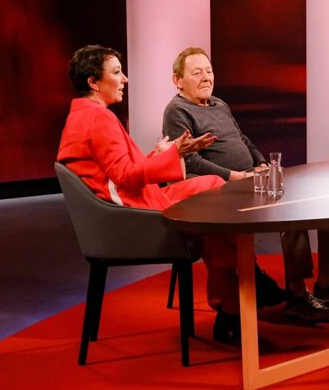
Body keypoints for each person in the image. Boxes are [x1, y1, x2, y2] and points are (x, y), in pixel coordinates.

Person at [57, 44, 289, 346]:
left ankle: (244, 285)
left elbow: (122, 170)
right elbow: (125, 177)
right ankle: (235, 304)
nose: (125, 78)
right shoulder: (99, 119)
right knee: (214, 206)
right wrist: (175, 153)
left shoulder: (84, 114)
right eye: (116, 72)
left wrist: (158, 154)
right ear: (93, 82)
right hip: (130, 213)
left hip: (131, 202)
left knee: (210, 187)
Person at [162, 47, 329, 323]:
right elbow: (190, 162)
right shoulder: (177, 110)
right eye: (196, 73)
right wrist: (235, 176)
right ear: (177, 80)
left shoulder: (219, 104)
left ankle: (328, 283)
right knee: (291, 212)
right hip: (221, 189)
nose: (205, 78)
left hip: (250, 179)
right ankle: (298, 294)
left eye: (209, 71)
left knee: (325, 198)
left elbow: (243, 140)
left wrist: (262, 165)